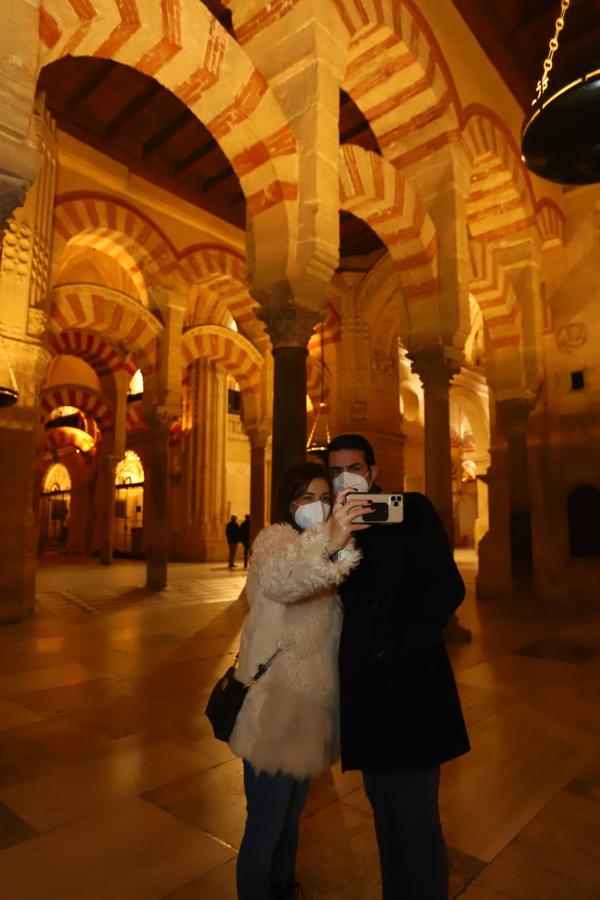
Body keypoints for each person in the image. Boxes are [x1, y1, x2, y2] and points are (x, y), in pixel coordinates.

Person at [327, 433, 470, 900]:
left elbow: (448, 588)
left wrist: (402, 636)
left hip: (412, 688)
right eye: (336, 471)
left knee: (416, 819)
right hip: (365, 692)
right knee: (384, 816)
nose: (346, 478)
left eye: (354, 468)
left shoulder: (411, 510)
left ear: (371, 473)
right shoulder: (332, 531)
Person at [228, 462, 371, 900]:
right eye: (307, 498)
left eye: (326, 498)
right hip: (274, 712)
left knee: (290, 820)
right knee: (266, 826)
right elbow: (286, 580)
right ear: (290, 504)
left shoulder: (329, 552)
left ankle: (283, 886)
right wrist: (332, 538)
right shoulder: (275, 541)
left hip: (310, 714)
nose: (319, 506)